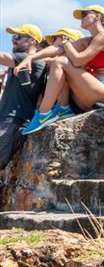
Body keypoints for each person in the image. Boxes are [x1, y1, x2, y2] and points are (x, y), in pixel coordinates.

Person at [18, 5, 104, 134]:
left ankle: (43, 113)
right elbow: (57, 49)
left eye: (85, 14)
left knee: (61, 61)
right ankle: (62, 107)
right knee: (60, 59)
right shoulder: (87, 41)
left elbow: (79, 60)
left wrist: (66, 43)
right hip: (93, 91)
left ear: (97, 17)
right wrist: (30, 58)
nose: (81, 18)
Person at [0, 24, 46, 170]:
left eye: (18, 37)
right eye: (14, 37)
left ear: (33, 41)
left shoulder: (29, 60)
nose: (14, 40)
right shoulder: (22, 60)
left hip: (13, 122)